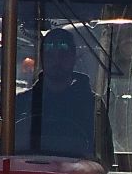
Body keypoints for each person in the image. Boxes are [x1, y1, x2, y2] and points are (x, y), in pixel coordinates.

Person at [14, 27, 107, 159]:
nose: (57, 61)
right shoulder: (22, 103)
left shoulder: (93, 107)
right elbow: (5, 155)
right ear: (42, 60)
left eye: (63, 55)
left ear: (74, 58)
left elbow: (104, 161)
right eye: (50, 55)